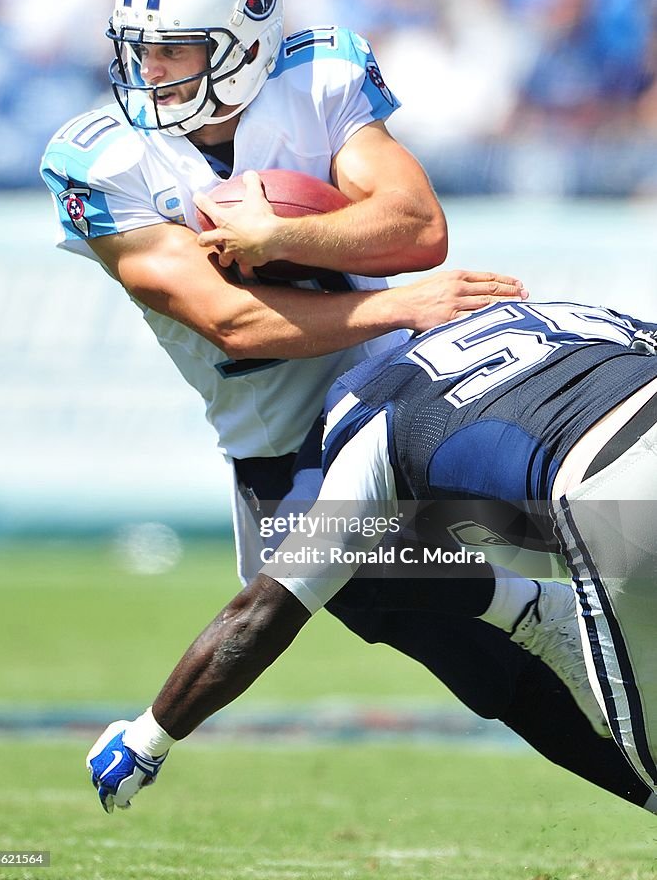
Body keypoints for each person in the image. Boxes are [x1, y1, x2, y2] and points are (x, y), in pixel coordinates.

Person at [39, 0, 636, 809]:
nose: (150, 74)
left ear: (243, 48)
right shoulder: (101, 159)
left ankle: (557, 604)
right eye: (141, 53)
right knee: (456, 654)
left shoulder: (316, 82)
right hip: (279, 434)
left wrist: (282, 236)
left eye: (174, 53)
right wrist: (402, 301)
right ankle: (544, 630)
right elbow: (231, 320)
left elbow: (416, 226)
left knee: (543, 543)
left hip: (409, 385)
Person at [87, 299, 657, 815]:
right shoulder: (567, 317)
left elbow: (261, 614)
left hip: (614, 495)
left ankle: (535, 613)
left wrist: (148, 738)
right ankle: (533, 611)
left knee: (649, 750)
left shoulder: (368, 426)